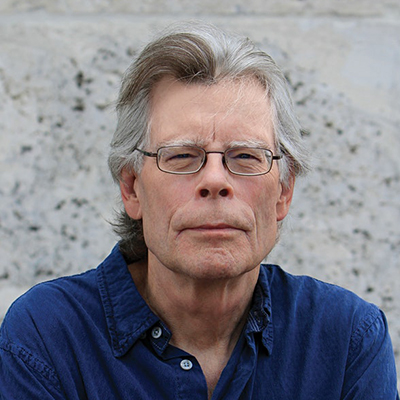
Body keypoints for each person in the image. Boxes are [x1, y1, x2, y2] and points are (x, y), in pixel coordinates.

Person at [0, 21, 398, 400]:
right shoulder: (48, 335)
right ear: (131, 188)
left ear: (284, 192)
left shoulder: (347, 339)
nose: (214, 180)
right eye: (182, 155)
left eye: (245, 156)